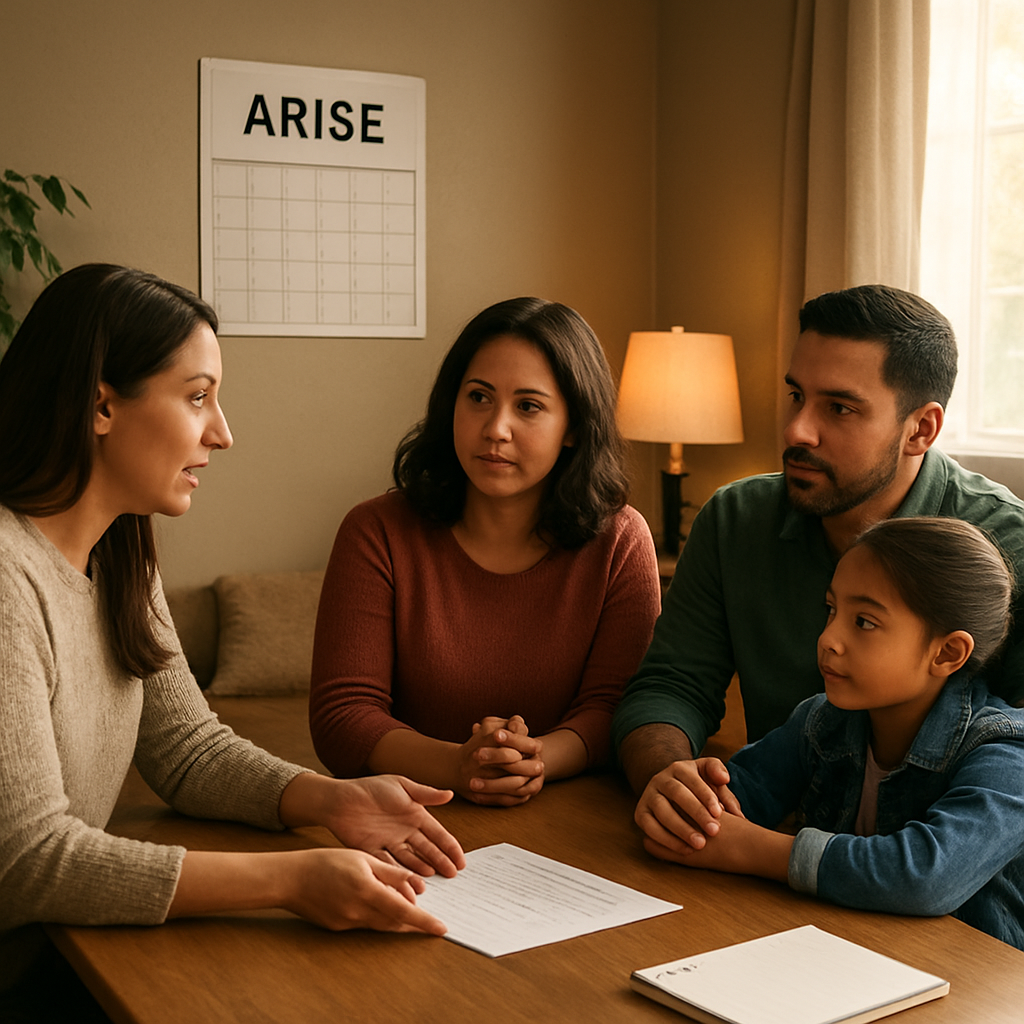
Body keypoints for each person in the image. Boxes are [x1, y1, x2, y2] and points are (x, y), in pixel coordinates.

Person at [0, 265, 466, 1010]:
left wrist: (328, 800)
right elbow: (25, 861)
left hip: (66, 949)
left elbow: (186, 748)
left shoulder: (120, 555)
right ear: (100, 404)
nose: (222, 431)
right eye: (197, 397)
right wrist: (287, 880)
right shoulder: (6, 575)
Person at [612, 284, 1024, 852]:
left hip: (940, 899)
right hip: (755, 851)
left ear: (921, 429)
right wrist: (668, 779)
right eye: (796, 396)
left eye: (839, 407)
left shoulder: (1010, 546)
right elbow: (670, 685)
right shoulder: (735, 519)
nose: (796, 431)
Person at [309, 297, 660, 806]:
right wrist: (459, 766)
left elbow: (618, 708)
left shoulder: (621, 540)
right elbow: (343, 718)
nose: (496, 428)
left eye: (528, 406)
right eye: (478, 397)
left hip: (572, 817)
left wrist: (533, 759)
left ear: (575, 428)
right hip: (407, 814)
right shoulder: (375, 531)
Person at [647, 517, 1024, 951]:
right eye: (832, 610)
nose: (828, 639)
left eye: (863, 622)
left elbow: (924, 876)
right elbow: (733, 799)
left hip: (974, 988)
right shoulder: (823, 721)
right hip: (848, 957)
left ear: (947, 652)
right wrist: (680, 798)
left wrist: (751, 849)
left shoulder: (1006, 753)